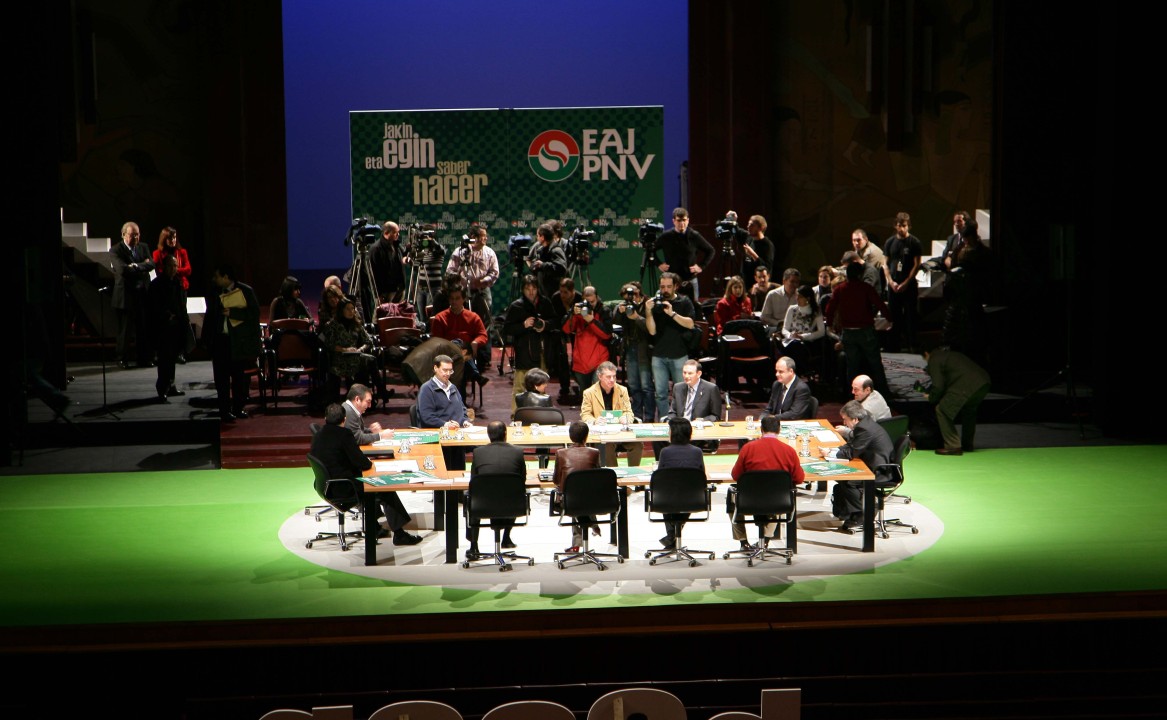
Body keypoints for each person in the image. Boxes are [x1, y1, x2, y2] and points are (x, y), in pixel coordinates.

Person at [310, 403, 421, 545]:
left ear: (325, 418)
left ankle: (375, 528)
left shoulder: (318, 435)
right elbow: (362, 463)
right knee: (385, 489)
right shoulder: (344, 434)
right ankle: (399, 535)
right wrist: (368, 462)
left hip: (325, 485)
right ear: (344, 419)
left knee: (372, 487)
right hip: (343, 487)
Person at [728, 413, 805, 549]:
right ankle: (766, 541)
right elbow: (799, 478)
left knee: (731, 497)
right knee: (780, 492)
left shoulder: (748, 448)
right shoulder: (789, 451)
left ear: (761, 429)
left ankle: (743, 542)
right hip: (778, 501)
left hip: (748, 501)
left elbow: (736, 475)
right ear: (779, 430)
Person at [825, 260, 892, 399]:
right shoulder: (866, 288)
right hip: (866, 331)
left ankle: (853, 395)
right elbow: (879, 303)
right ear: (860, 274)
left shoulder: (840, 289)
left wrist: (830, 324)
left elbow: (830, 308)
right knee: (875, 363)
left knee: (852, 366)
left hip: (848, 332)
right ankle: (884, 394)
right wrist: (889, 318)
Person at [205, 263, 261, 422]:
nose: (214, 279)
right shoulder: (214, 292)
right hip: (220, 341)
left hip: (238, 341)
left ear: (226, 277)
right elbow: (209, 317)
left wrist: (233, 312)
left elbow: (254, 314)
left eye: (217, 276)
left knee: (238, 377)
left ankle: (238, 408)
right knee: (221, 379)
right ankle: (224, 411)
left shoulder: (245, 291)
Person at [828, 400, 894, 531]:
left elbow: (852, 452)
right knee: (842, 478)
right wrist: (835, 450)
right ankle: (847, 512)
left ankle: (861, 515)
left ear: (855, 419)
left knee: (848, 479)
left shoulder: (864, 429)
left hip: (879, 470)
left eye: (845, 419)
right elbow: (852, 445)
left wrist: (831, 453)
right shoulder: (865, 423)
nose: (844, 423)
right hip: (874, 463)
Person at [465, 420, 525, 559]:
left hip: (482, 505)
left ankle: (474, 546)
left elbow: (473, 480)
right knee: (514, 491)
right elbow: (522, 479)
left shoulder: (478, 452)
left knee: (471, 496)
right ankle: (506, 538)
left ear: (488, 435)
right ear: (505, 434)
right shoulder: (518, 452)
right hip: (512, 505)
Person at [645, 272, 699, 420]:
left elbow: (690, 324)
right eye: (662, 287)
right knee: (660, 394)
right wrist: (648, 311)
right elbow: (652, 331)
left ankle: (682, 420)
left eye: (669, 286)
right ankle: (664, 420)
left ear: (676, 286)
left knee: (682, 391)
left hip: (679, 354)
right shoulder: (655, 304)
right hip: (659, 355)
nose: (665, 290)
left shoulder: (684, 301)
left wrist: (672, 314)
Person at [503, 275, 557, 412]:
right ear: (523, 290)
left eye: (534, 288)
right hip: (524, 353)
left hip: (542, 352)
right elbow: (507, 329)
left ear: (538, 289)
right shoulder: (516, 306)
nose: (531, 292)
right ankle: (516, 416)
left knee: (541, 386)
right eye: (528, 289)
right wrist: (524, 325)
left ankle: (542, 414)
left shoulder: (545, 303)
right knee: (520, 388)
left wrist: (544, 325)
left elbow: (556, 322)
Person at [923, 345, 991, 455]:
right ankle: (968, 445)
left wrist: (931, 397)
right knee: (969, 411)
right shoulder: (952, 355)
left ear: (926, 354)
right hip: (983, 382)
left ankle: (953, 446)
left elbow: (938, 386)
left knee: (942, 410)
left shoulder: (934, 359)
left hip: (966, 384)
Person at [654, 417, 706, 550]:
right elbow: (702, 476)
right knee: (686, 494)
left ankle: (671, 535)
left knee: (666, 492)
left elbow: (661, 477)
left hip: (667, 498)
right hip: (694, 498)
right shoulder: (697, 452)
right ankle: (672, 537)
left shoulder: (665, 452)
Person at [579, 361, 643, 467]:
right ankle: (614, 473)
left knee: (637, 444)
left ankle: (633, 472)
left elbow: (629, 412)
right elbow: (585, 414)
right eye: (608, 377)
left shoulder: (622, 390)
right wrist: (595, 421)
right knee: (607, 445)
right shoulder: (589, 392)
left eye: (614, 376)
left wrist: (626, 418)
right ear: (600, 376)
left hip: (621, 432)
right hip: (603, 434)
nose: (612, 380)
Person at [551, 421, 603, 550]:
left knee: (574, 496)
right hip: (593, 500)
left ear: (570, 436)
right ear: (587, 436)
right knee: (582, 494)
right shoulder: (595, 452)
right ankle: (592, 524)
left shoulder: (561, 453)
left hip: (569, 501)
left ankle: (577, 543)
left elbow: (556, 480)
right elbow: (598, 477)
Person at [111, 221, 156, 368]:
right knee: (125, 330)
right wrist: (142, 265)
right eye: (132, 235)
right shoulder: (116, 250)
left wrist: (135, 266)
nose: (136, 238)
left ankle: (144, 358)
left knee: (143, 328)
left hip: (142, 294)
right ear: (123, 235)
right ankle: (121, 358)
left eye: (138, 235)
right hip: (125, 295)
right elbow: (122, 269)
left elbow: (152, 264)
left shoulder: (143, 247)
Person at [429, 286, 489, 394]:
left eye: (457, 298)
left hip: (467, 351)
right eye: (452, 298)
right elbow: (436, 340)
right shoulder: (440, 318)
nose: (454, 301)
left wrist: (476, 342)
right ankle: (475, 375)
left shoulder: (473, 317)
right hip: (447, 353)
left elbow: (482, 335)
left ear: (464, 299)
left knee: (461, 354)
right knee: (457, 347)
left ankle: (459, 399)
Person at [416, 353, 472, 470]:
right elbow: (427, 417)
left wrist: (465, 421)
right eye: (444, 370)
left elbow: (462, 409)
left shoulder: (453, 387)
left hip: (456, 438)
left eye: (450, 371)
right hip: (438, 439)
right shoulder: (427, 389)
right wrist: (445, 424)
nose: (448, 374)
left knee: (458, 471)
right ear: (435, 368)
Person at [148, 255, 189, 402]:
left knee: (172, 359)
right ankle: (162, 388)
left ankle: (171, 385)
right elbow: (153, 306)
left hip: (176, 326)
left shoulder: (178, 282)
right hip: (163, 327)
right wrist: (167, 315)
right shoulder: (156, 284)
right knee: (164, 359)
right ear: (164, 267)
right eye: (171, 266)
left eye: (175, 266)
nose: (173, 269)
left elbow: (181, 303)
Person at [613, 280, 655, 422]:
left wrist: (636, 317)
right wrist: (620, 312)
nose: (632, 298)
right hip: (630, 347)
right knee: (633, 385)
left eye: (634, 294)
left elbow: (650, 330)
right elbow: (616, 324)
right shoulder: (625, 306)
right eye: (628, 296)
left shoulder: (648, 305)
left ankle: (649, 417)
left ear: (640, 292)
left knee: (646, 386)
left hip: (644, 348)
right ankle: (637, 416)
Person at [320, 297, 381, 395]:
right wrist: (345, 349)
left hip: (355, 355)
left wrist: (360, 349)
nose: (351, 311)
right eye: (348, 309)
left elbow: (368, 341)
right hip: (340, 357)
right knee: (361, 365)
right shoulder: (333, 325)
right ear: (341, 310)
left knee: (371, 359)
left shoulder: (356, 324)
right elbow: (328, 344)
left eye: (352, 308)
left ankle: (380, 391)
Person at [654, 207, 714, 302]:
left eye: (684, 220)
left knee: (694, 307)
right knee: (669, 306)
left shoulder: (694, 235)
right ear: (674, 221)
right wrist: (658, 264)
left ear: (688, 220)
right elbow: (650, 250)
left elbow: (711, 250)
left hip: (690, 280)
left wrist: (701, 266)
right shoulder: (666, 236)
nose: (682, 223)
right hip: (671, 282)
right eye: (679, 220)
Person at [883, 212, 923, 352]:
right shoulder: (890, 242)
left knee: (911, 316)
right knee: (894, 316)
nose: (901, 228)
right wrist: (890, 281)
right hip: (893, 284)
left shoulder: (914, 242)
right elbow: (885, 264)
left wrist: (906, 282)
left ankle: (912, 345)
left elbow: (916, 264)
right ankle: (894, 346)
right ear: (895, 225)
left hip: (909, 285)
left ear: (908, 226)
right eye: (899, 225)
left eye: (904, 226)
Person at [562, 285, 611, 396]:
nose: (590, 305)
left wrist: (591, 321)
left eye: (592, 302)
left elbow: (606, 335)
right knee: (585, 397)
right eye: (587, 302)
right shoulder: (578, 310)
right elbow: (566, 329)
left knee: (598, 395)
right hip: (581, 362)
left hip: (599, 360)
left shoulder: (604, 310)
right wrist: (573, 314)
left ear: (597, 298)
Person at [445, 224, 499, 322]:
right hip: (462, 290)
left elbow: (494, 272)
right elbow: (450, 271)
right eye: (483, 236)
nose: (486, 238)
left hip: (482, 290)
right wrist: (459, 279)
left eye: (486, 236)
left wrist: (483, 281)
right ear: (474, 237)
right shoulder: (460, 252)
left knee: (484, 318)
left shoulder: (490, 253)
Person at [549, 277, 582, 401]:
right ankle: (564, 386)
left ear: (572, 291)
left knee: (577, 355)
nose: (562, 295)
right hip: (560, 328)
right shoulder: (555, 298)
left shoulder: (579, 299)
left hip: (576, 330)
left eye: (565, 292)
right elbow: (554, 318)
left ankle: (579, 382)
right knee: (561, 356)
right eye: (561, 291)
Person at [779, 285, 826, 372]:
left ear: (808, 298)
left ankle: (797, 371)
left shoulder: (816, 311)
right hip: (791, 340)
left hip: (806, 342)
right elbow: (784, 329)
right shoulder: (792, 309)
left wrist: (803, 336)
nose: (797, 298)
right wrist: (790, 335)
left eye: (800, 297)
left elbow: (821, 332)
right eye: (796, 295)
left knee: (797, 347)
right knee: (793, 345)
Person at [405, 229, 446, 323]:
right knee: (422, 317)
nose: (425, 240)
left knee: (431, 316)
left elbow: (442, 251)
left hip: (433, 288)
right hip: (420, 288)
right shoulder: (421, 251)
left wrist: (432, 242)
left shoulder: (438, 251)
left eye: (427, 238)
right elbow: (415, 266)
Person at [835, 374, 892, 438]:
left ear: (867, 390)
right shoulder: (875, 393)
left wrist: (845, 431)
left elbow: (862, 435)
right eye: (852, 388)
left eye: (856, 389)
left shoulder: (866, 409)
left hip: (876, 439)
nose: (852, 392)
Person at [526, 222, 568, 303]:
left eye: (538, 236)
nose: (537, 238)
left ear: (542, 237)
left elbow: (562, 268)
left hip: (553, 295)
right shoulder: (541, 250)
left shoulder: (556, 250)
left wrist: (542, 265)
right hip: (543, 293)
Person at [369, 221, 406, 304]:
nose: (398, 234)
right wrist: (378, 293)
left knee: (399, 312)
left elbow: (404, 255)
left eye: (398, 232)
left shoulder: (397, 245)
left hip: (399, 289)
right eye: (395, 232)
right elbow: (373, 273)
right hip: (385, 292)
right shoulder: (376, 249)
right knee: (383, 311)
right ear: (386, 233)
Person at [760, 268, 801, 334]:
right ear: (784, 281)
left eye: (797, 282)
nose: (795, 285)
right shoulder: (773, 295)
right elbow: (764, 317)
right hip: (775, 327)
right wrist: (779, 323)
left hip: (793, 329)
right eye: (792, 282)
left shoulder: (800, 296)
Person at [152, 226, 191, 291]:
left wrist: (173, 270)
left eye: (174, 237)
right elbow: (159, 271)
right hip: (164, 285)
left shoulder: (182, 252)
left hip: (181, 285)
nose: (173, 240)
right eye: (170, 238)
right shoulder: (157, 253)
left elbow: (188, 270)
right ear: (164, 239)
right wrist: (177, 271)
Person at [740, 215, 774, 283]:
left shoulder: (768, 245)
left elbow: (767, 268)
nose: (748, 226)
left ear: (761, 228)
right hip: (746, 283)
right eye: (748, 224)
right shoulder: (749, 239)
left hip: (759, 284)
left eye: (752, 225)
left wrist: (753, 254)